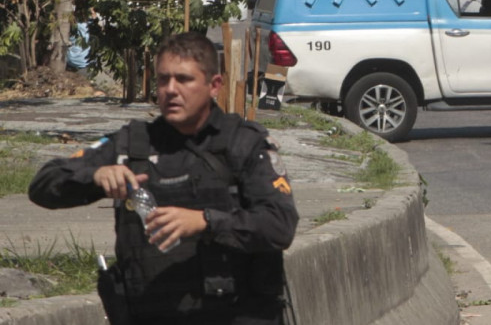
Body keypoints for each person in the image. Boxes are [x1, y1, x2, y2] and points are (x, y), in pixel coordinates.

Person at [28, 32, 299, 325]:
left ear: (214, 85)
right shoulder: (132, 145)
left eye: (184, 80)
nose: (171, 90)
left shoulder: (244, 145)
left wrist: (205, 222)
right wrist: (96, 176)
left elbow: (279, 226)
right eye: (163, 80)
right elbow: (43, 185)